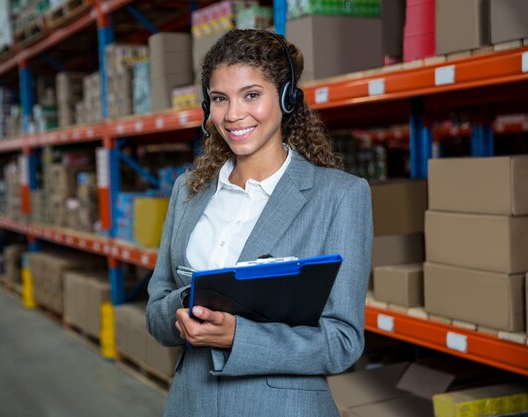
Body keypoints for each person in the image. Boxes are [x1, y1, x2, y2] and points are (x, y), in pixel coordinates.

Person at [146, 29, 373, 417]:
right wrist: (185, 311)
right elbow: (156, 309)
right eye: (220, 99)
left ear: (286, 99)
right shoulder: (188, 191)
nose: (233, 115)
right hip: (191, 403)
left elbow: (342, 340)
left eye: (251, 95)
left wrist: (239, 336)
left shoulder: (340, 196)